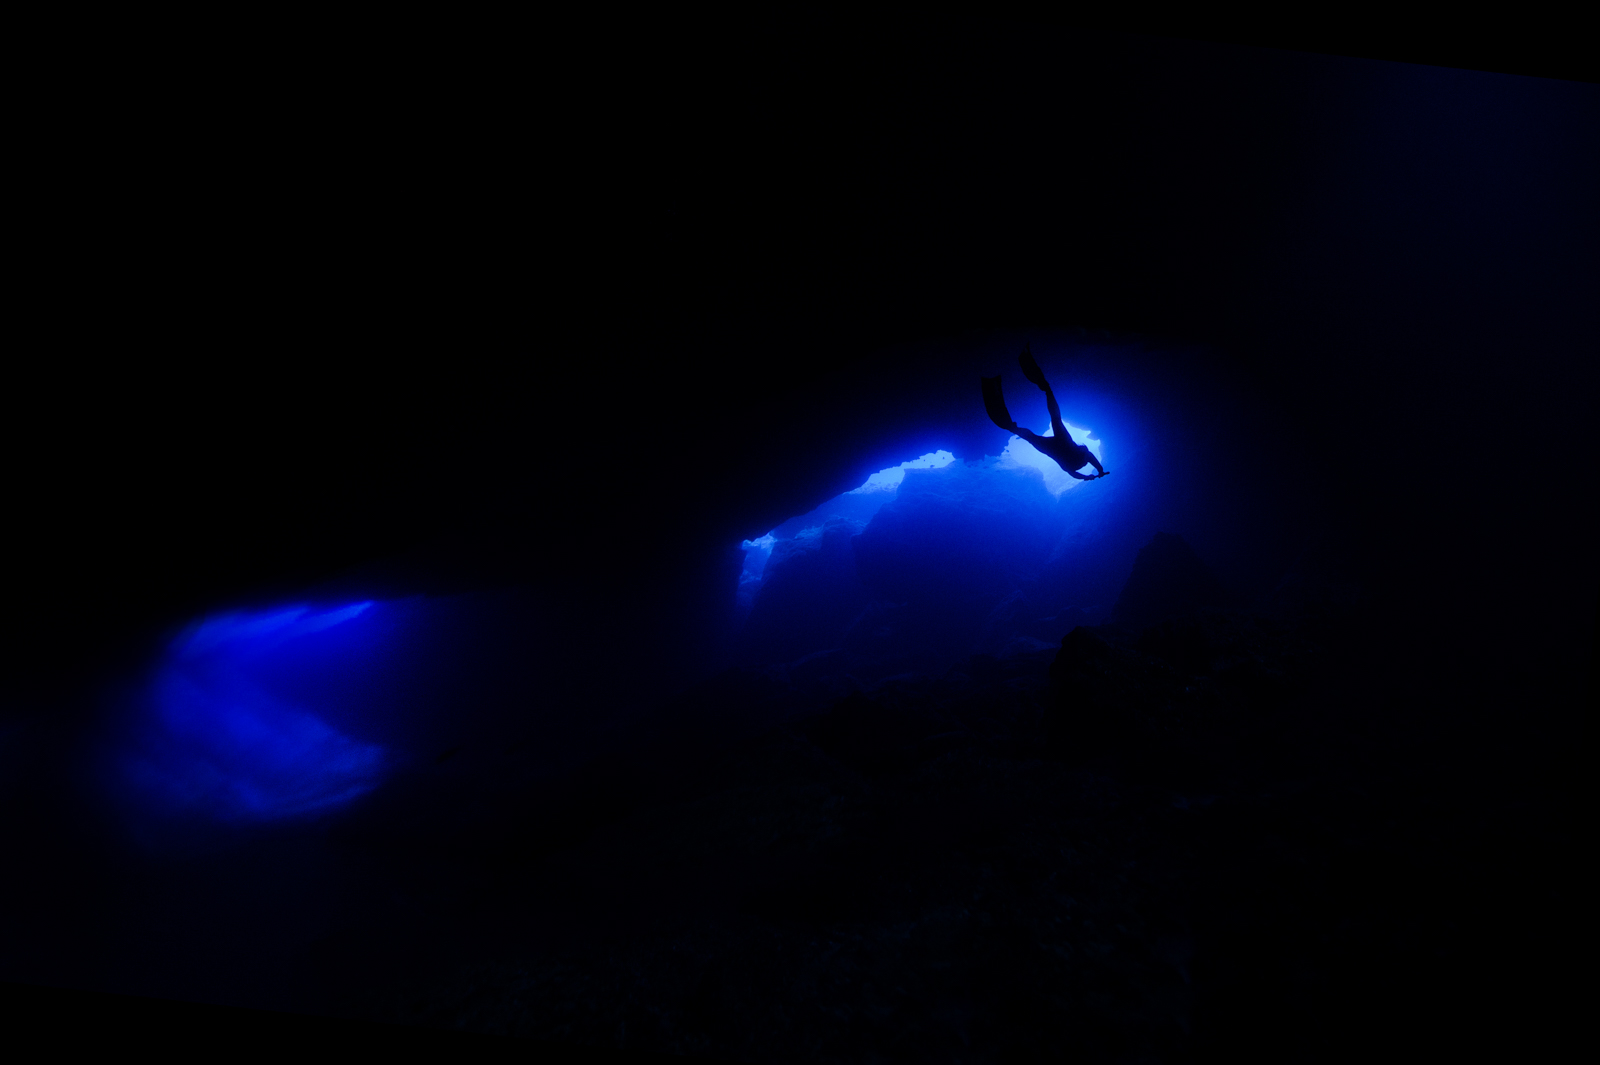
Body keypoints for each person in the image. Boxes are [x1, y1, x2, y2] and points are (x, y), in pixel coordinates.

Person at [981, 345, 1108, 480]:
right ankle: (1012, 418)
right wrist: (1091, 475)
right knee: (1032, 433)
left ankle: (1047, 390)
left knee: (1054, 419)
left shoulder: (1081, 457)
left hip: (1060, 444)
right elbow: (1076, 472)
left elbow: (1086, 461)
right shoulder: (1072, 464)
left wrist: (1097, 471)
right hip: (1054, 449)